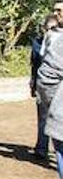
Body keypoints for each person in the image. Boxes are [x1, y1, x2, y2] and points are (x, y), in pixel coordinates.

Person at [31, 14, 61, 161]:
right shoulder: (38, 42)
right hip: (43, 82)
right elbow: (36, 63)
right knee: (43, 117)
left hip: (55, 83)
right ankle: (42, 148)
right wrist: (34, 83)